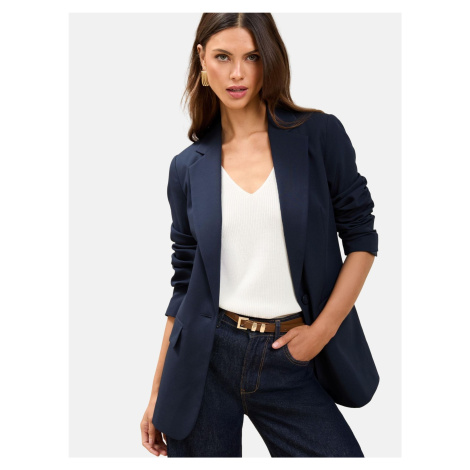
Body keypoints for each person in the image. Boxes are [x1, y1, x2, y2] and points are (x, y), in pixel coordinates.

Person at [141, 13, 379, 458]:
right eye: (223, 57)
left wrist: (320, 332)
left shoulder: (318, 135)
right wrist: (158, 392)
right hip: (205, 361)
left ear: (268, 60)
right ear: (202, 60)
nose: (237, 73)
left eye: (251, 57)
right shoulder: (187, 167)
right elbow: (184, 285)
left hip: (290, 355)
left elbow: (362, 238)